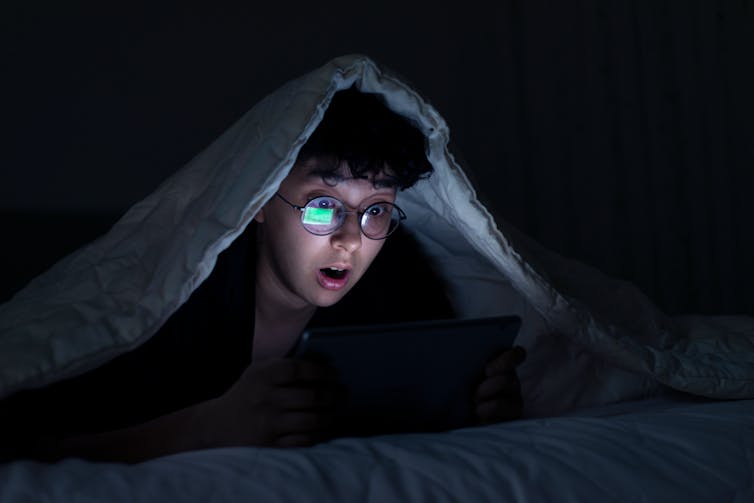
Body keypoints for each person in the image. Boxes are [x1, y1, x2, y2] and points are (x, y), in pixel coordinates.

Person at [0, 88, 526, 463]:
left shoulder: (397, 282)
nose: (350, 239)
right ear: (256, 203)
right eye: (322, 207)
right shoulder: (175, 302)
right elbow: (32, 439)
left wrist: (472, 404)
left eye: (376, 210)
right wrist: (203, 429)